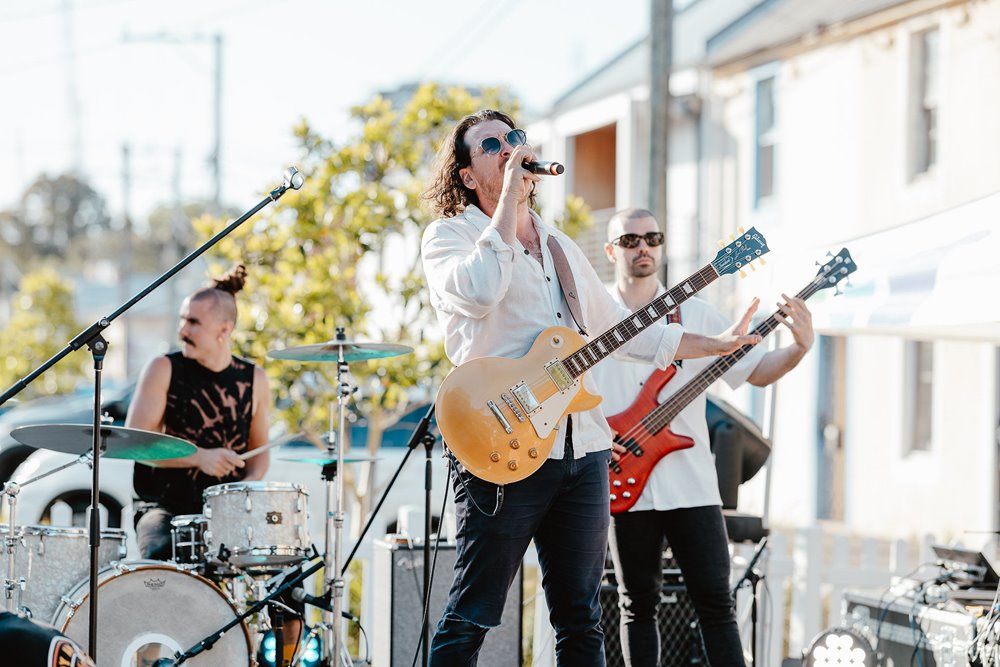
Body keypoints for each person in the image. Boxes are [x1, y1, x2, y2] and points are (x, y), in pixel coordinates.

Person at [420, 110, 763, 666]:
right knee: (475, 611)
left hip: (583, 451)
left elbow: (624, 332)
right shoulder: (449, 238)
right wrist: (508, 200)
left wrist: (715, 344)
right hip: (501, 442)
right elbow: (481, 293)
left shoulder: (559, 245)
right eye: (491, 146)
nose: (509, 149)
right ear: (465, 175)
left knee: (581, 617)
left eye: (514, 139)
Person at [591, 208, 814, 666]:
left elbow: (757, 372)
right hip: (622, 483)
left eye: (652, 237)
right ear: (611, 250)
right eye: (630, 240)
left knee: (716, 604)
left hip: (692, 485)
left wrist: (799, 348)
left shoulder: (697, 313)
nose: (642, 247)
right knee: (636, 606)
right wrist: (597, 435)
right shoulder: (595, 316)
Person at [126, 264, 271, 561]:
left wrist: (242, 490)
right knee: (159, 556)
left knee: (285, 572)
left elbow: (259, 455)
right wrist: (200, 457)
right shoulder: (163, 368)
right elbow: (135, 445)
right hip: (163, 507)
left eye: (193, 323)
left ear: (224, 330)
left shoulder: (255, 379)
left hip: (226, 510)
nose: (182, 331)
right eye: (182, 320)